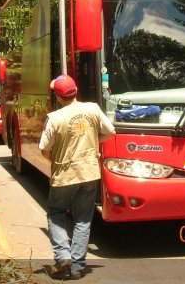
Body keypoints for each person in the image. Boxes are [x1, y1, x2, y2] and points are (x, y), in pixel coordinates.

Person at [39, 74, 116, 280]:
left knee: (56, 213)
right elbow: (110, 132)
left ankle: (63, 256)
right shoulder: (92, 108)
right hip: (90, 172)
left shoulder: (54, 118)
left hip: (65, 175)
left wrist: (53, 160)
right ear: (75, 91)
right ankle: (78, 267)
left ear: (58, 96)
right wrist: (93, 141)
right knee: (83, 219)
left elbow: (44, 149)